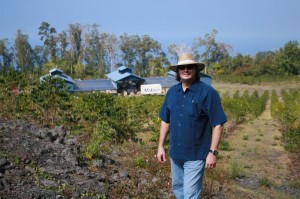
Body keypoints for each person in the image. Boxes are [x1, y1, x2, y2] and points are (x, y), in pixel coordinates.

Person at [156, 53, 227, 199]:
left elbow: (218, 124)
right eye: (182, 67)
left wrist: (213, 153)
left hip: (195, 155)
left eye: (190, 67)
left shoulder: (208, 93)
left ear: (195, 70)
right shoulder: (172, 93)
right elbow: (165, 120)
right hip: (175, 154)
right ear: (178, 71)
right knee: (178, 191)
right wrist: (160, 146)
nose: (186, 70)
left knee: (190, 196)